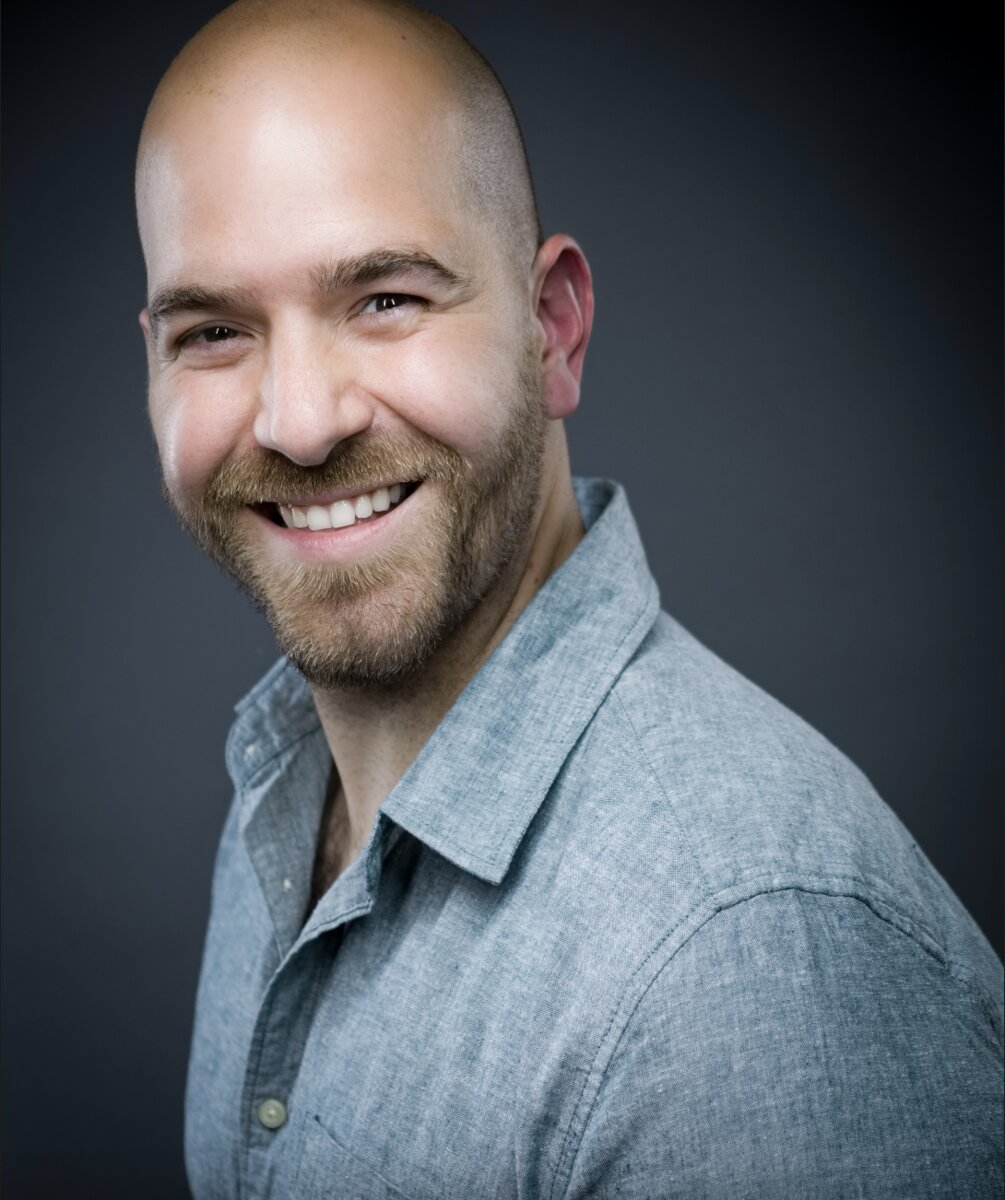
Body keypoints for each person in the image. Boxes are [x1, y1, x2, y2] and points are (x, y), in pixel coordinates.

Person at [136, 1, 1003, 1196]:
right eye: (214, 330)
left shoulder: (742, 962)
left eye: (385, 299)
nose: (296, 419)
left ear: (553, 331)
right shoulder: (284, 798)